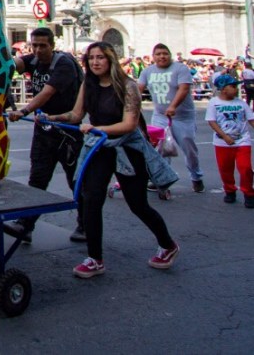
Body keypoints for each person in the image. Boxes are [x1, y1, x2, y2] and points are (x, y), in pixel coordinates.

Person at [44, 41, 179, 278]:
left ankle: (168, 245)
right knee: (92, 199)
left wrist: (96, 127)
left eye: (100, 58)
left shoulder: (128, 86)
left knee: (138, 204)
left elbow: (129, 124)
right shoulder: (89, 83)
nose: (95, 62)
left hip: (127, 149)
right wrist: (50, 117)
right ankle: (95, 258)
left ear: (111, 60)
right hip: (100, 146)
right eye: (91, 58)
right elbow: (76, 114)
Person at [6, 27, 86, 243]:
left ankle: (85, 225)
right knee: (37, 178)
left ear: (52, 45)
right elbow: (13, 64)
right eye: (34, 45)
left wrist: (23, 111)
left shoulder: (63, 64)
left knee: (75, 181)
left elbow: (47, 92)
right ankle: (26, 225)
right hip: (43, 130)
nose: (38, 50)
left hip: (67, 131)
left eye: (43, 46)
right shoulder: (33, 59)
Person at [138, 43, 205, 192]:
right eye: (158, 54)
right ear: (153, 57)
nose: (162, 56)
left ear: (170, 55)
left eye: (165, 53)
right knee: (160, 148)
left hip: (183, 117)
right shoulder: (147, 71)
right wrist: (133, 103)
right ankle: (161, 178)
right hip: (160, 116)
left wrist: (173, 106)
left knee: (189, 149)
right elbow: (138, 89)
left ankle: (196, 176)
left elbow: (184, 88)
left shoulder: (180, 68)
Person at [205, 74, 254, 208]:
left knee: (246, 168)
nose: (236, 89)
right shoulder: (214, 103)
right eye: (233, 86)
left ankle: (249, 193)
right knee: (226, 169)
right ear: (223, 89)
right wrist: (225, 136)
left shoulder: (241, 103)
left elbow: (251, 119)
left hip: (242, 140)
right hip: (222, 142)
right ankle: (229, 190)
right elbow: (212, 121)